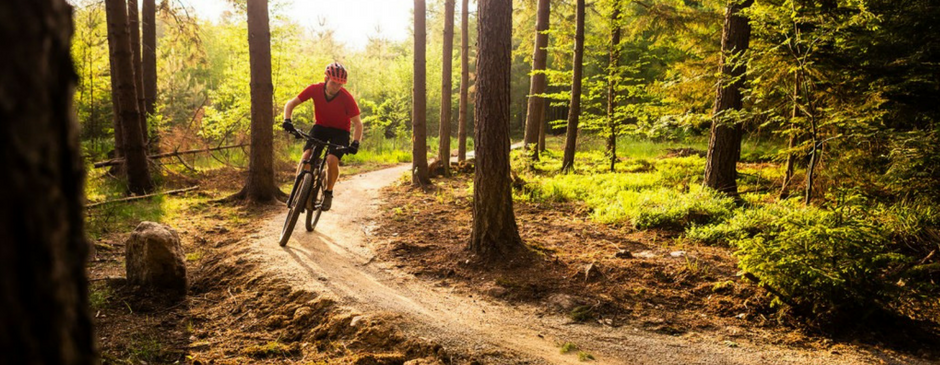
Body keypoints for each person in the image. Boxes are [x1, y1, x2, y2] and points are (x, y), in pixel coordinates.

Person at [281, 62, 363, 211]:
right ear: (326, 79)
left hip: (340, 131)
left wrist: (355, 142)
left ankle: (328, 192)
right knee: (307, 155)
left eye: (340, 84)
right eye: (333, 83)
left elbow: (358, 123)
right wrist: (287, 119)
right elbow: (291, 103)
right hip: (320, 127)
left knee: (332, 160)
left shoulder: (347, 98)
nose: (336, 87)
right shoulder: (315, 89)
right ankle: (298, 189)